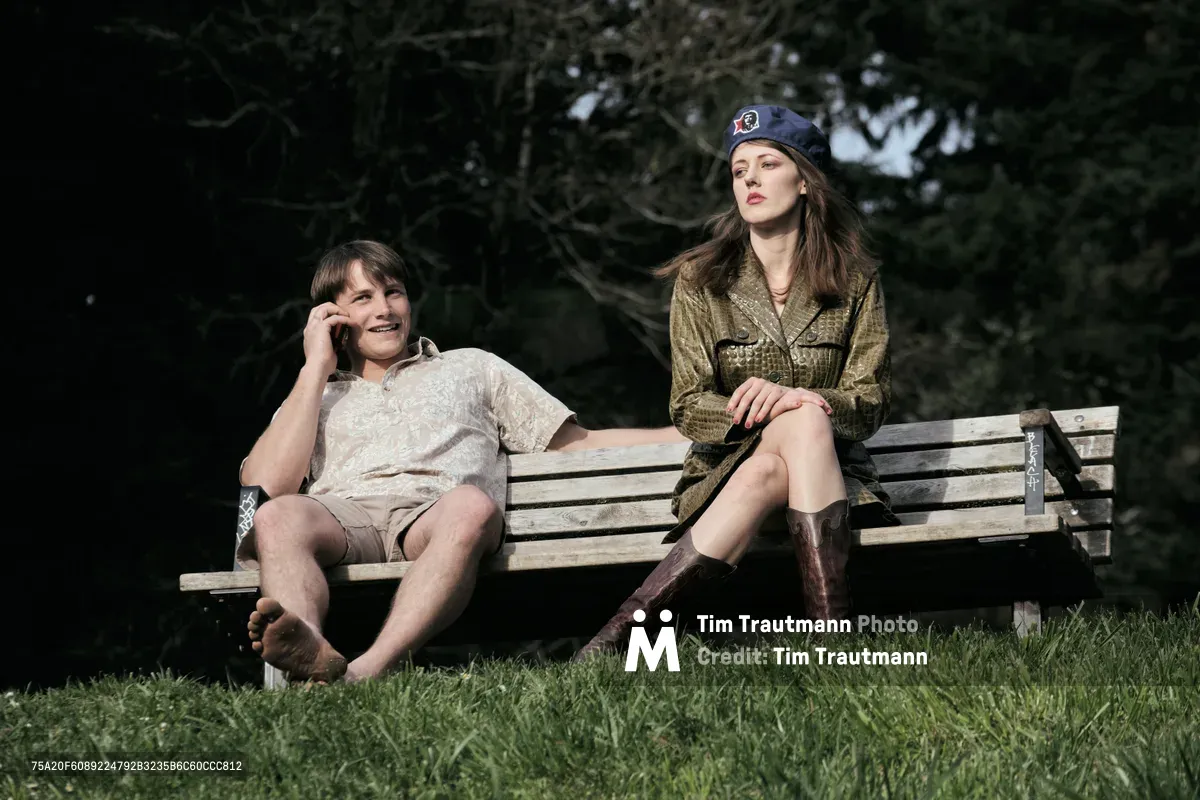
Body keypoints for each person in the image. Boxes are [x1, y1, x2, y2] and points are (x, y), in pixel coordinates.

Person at [239, 239, 685, 683]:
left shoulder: (470, 367)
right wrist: (316, 366)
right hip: (346, 519)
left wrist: (682, 434)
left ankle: (367, 671)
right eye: (363, 298)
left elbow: (574, 443)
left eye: (393, 292)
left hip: (435, 515)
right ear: (332, 317)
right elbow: (264, 487)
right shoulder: (316, 395)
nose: (385, 309)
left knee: (470, 505)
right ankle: (311, 653)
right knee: (278, 517)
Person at [574, 105, 897, 659]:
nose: (748, 177)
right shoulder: (702, 280)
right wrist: (776, 408)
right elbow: (687, 405)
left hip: (833, 480)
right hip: (723, 470)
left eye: (767, 164)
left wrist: (807, 400)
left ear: (804, 181)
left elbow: (869, 402)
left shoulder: (855, 280)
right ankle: (835, 643)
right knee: (796, 424)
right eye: (738, 168)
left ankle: (609, 647)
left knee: (797, 432)